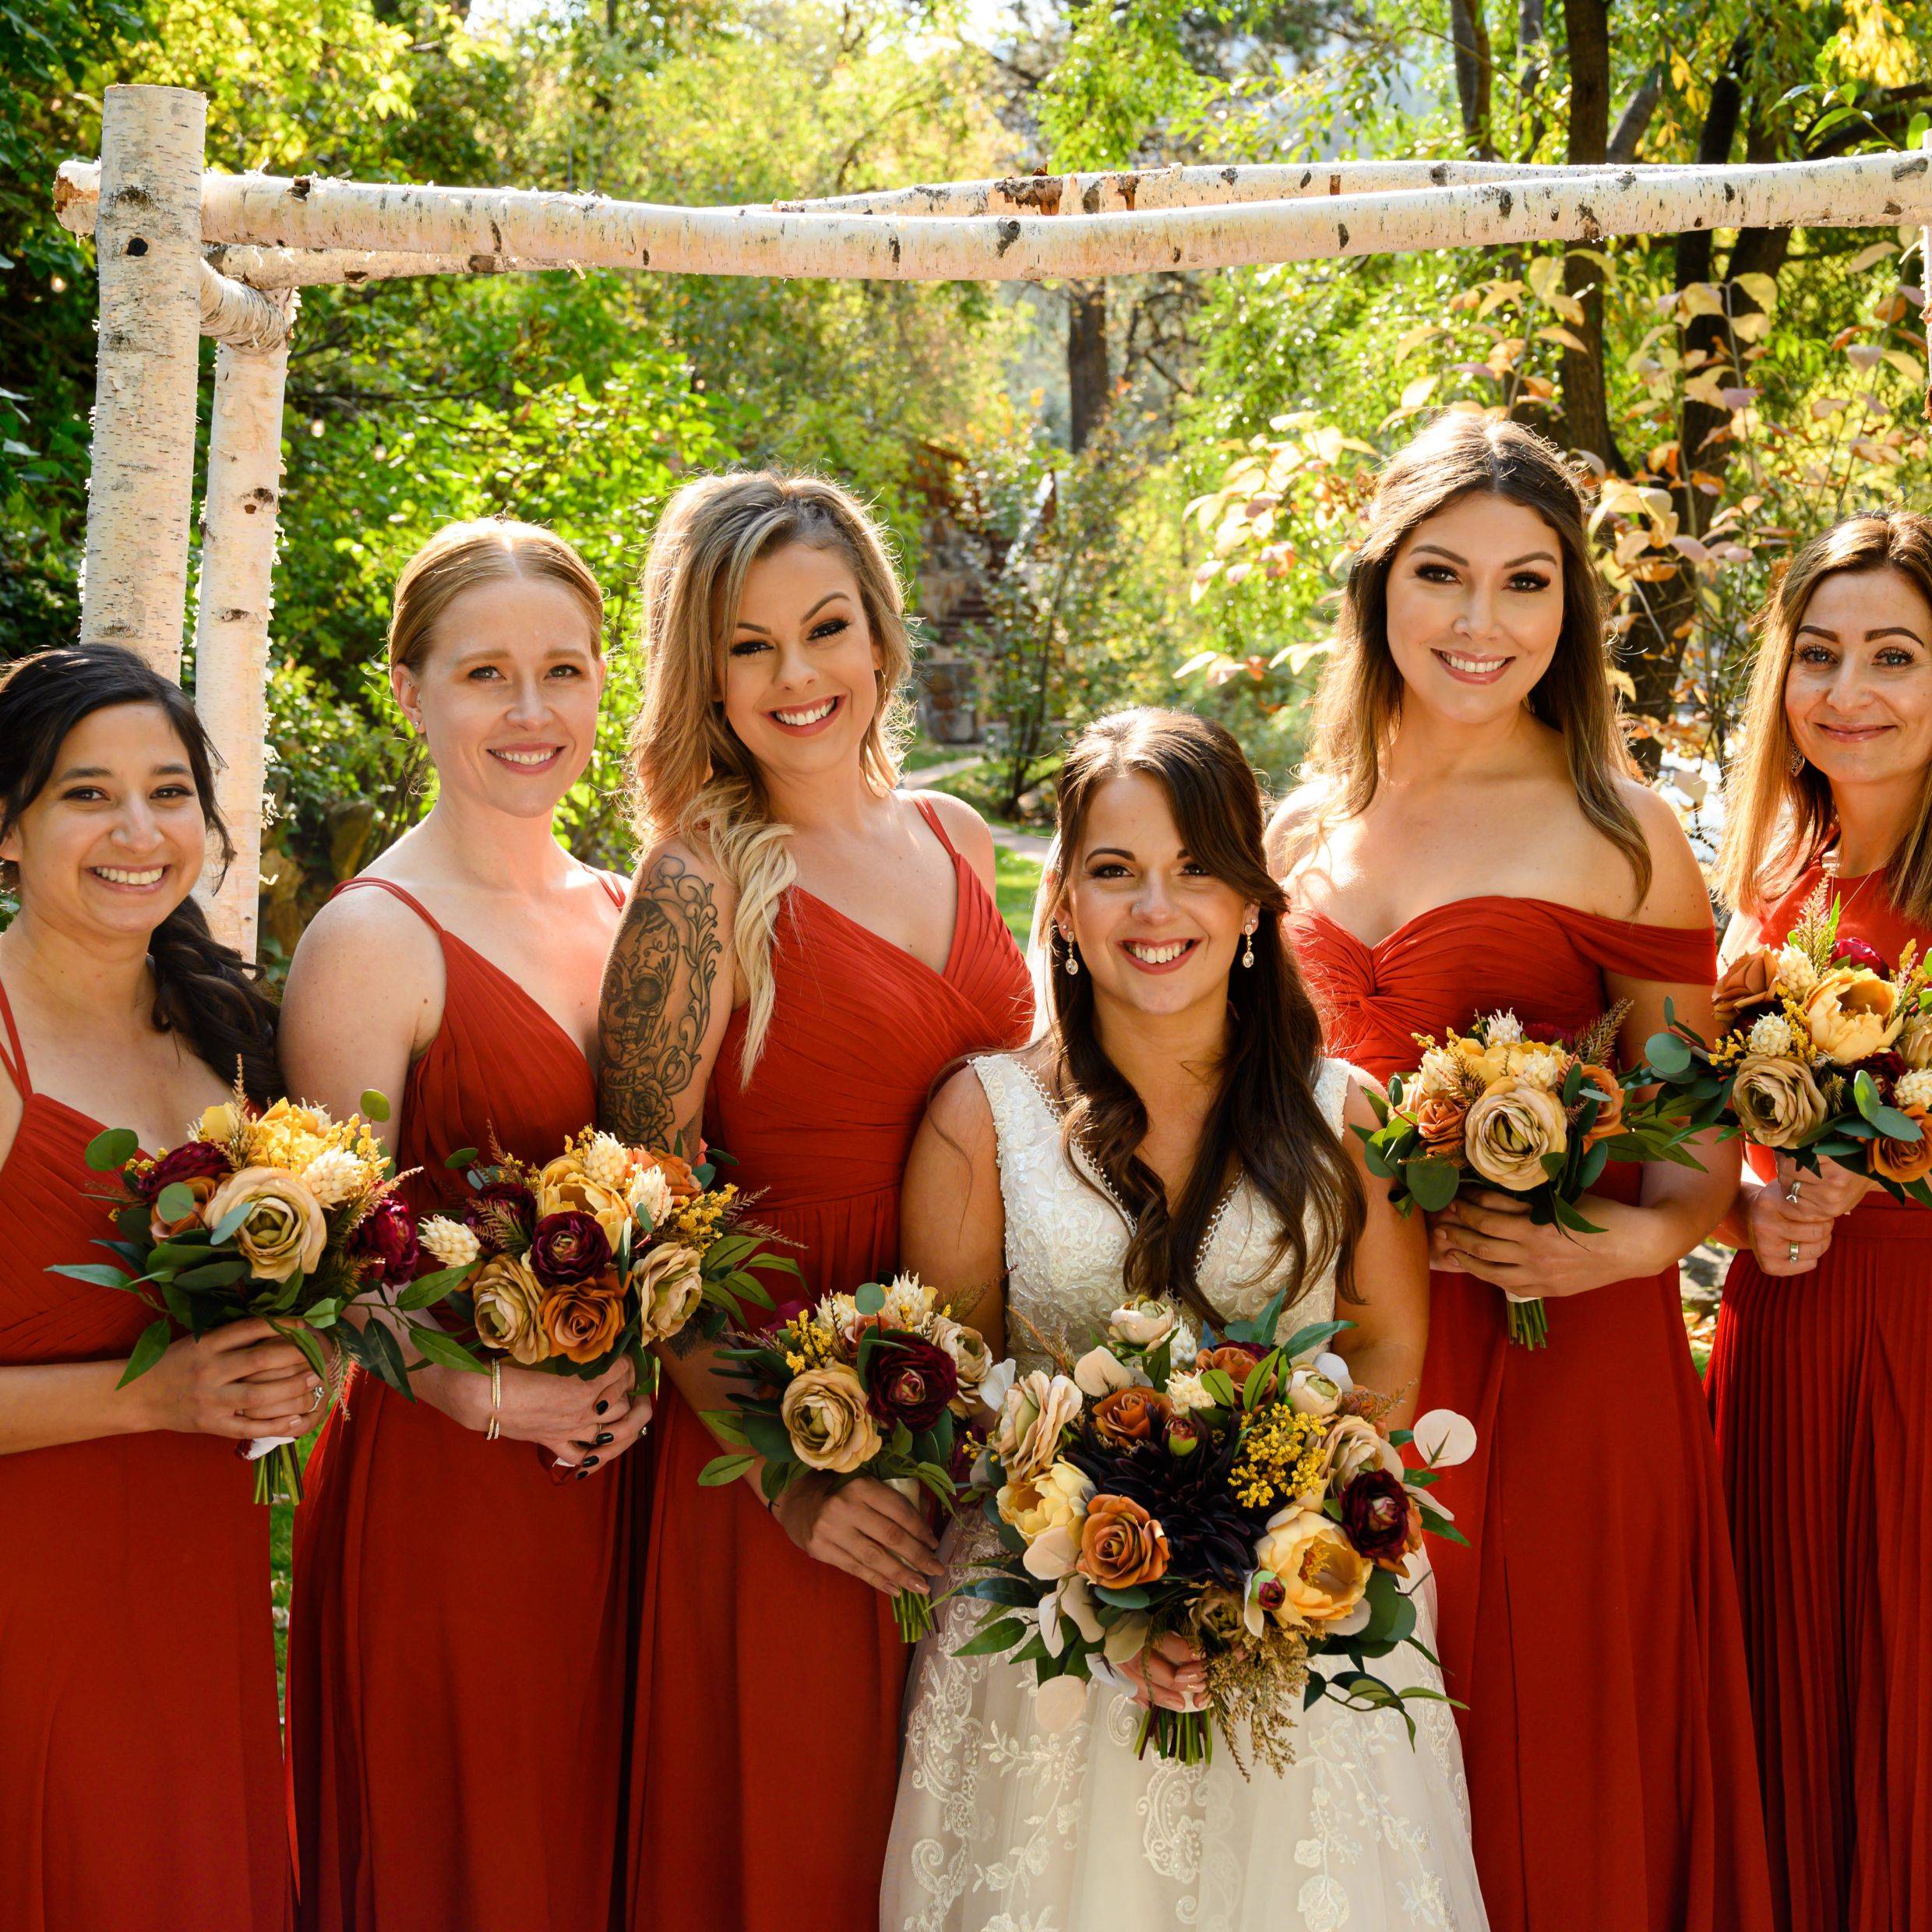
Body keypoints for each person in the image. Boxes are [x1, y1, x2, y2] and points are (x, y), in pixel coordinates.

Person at [1276, 414, 1774, 1932]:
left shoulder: (1620, 834)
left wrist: (1627, 1251)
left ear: (1571, 609)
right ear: (1377, 590)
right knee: (1370, 1755)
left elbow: (1694, 1140)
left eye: (1525, 582)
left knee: (1549, 1741)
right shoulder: (1308, 825)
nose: (1480, 623)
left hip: (1563, 1351)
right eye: (1441, 576)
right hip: (1350, 1357)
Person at [880, 707, 1489, 1932]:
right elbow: (955, 1394)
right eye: (1115, 873)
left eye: (1195, 869)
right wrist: (1112, 1599)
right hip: (1045, 1640)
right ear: (1061, 903)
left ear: (1256, 902)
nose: (1156, 911)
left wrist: (1251, 1591)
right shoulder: (980, 1118)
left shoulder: (1341, 1112)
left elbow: (1383, 1358)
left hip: (1299, 1632)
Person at [598, 471, 1034, 1932]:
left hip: (981, 1410)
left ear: (880, 639)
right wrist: (793, 1478)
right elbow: (641, 1228)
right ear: (703, 674)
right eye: (750, 644)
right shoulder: (698, 883)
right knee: (800, 1843)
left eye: (826, 629)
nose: (797, 677)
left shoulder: (963, 839)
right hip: (787, 1427)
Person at [281, 520, 652, 1932]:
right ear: (411, 689)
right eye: (486, 672)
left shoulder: (626, 910)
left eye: (563, 669)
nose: (531, 710)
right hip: (453, 1483)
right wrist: (482, 1393)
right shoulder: (372, 939)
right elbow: (329, 1261)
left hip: (616, 1472)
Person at [0, 644, 294, 1932]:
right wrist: (154, 1400)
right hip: (34, 1601)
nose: (138, 830)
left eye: (169, 791)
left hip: (193, 1584)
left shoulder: (216, 1026)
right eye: (85, 794)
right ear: (5, 827)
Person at [1706, 508, 1932, 1932]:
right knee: (1792, 1700)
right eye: (1820, 653)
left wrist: (1901, 1159)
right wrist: (1747, 1211)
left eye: (1895, 656)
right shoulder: (1760, 894)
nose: (1848, 692)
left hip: (1917, 1346)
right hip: (1782, 1343)